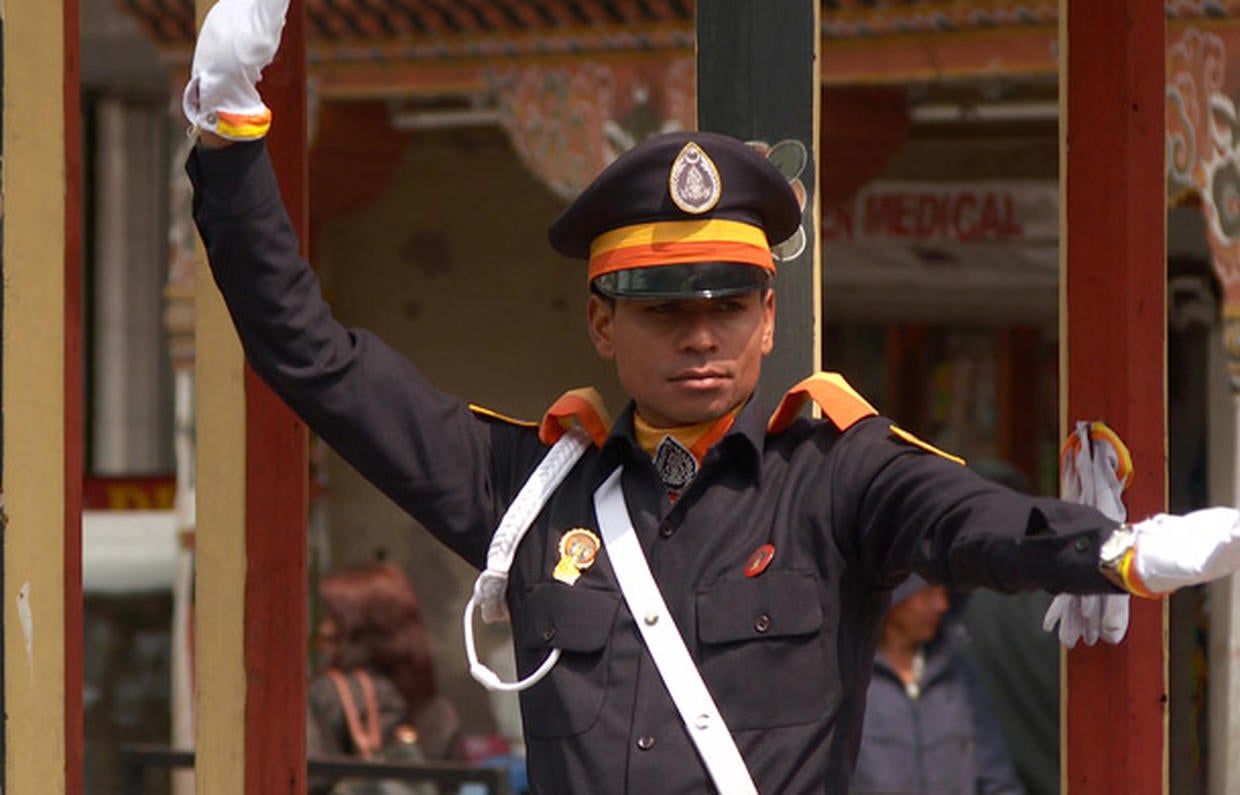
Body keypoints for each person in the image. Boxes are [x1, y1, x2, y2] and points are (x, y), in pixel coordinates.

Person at [182, 2, 1240, 791]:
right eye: (661, 308)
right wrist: (229, 140)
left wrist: (1111, 551)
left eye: (728, 305)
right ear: (603, 324)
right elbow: (317, 361)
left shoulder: (831, 479)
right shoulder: (530, 492)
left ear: (768, 319)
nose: (700, 333)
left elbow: (969, 521)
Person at [851, 575, 1024, 795]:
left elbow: (996, 775)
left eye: (945, 593)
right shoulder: (854, 682)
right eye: (928, 593)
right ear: (893, 599)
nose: (942, 604)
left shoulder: (957, 671)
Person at [308, 562, 462, 773]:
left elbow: (313, 778)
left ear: (369, 627)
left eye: (334, 618)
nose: (323, 630)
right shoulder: (438, 712)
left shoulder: (328, 694)